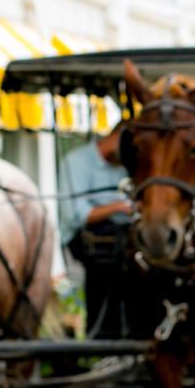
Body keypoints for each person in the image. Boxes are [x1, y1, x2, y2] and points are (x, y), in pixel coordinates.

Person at [58, 124, 133, 338]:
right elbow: (75, 215)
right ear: (117, 136)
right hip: (84, 237)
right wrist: (119, 207)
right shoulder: (77, 162)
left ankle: (130, 333)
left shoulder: (123, 165)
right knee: (106, 264)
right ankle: (101, 335)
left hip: (119, 233)